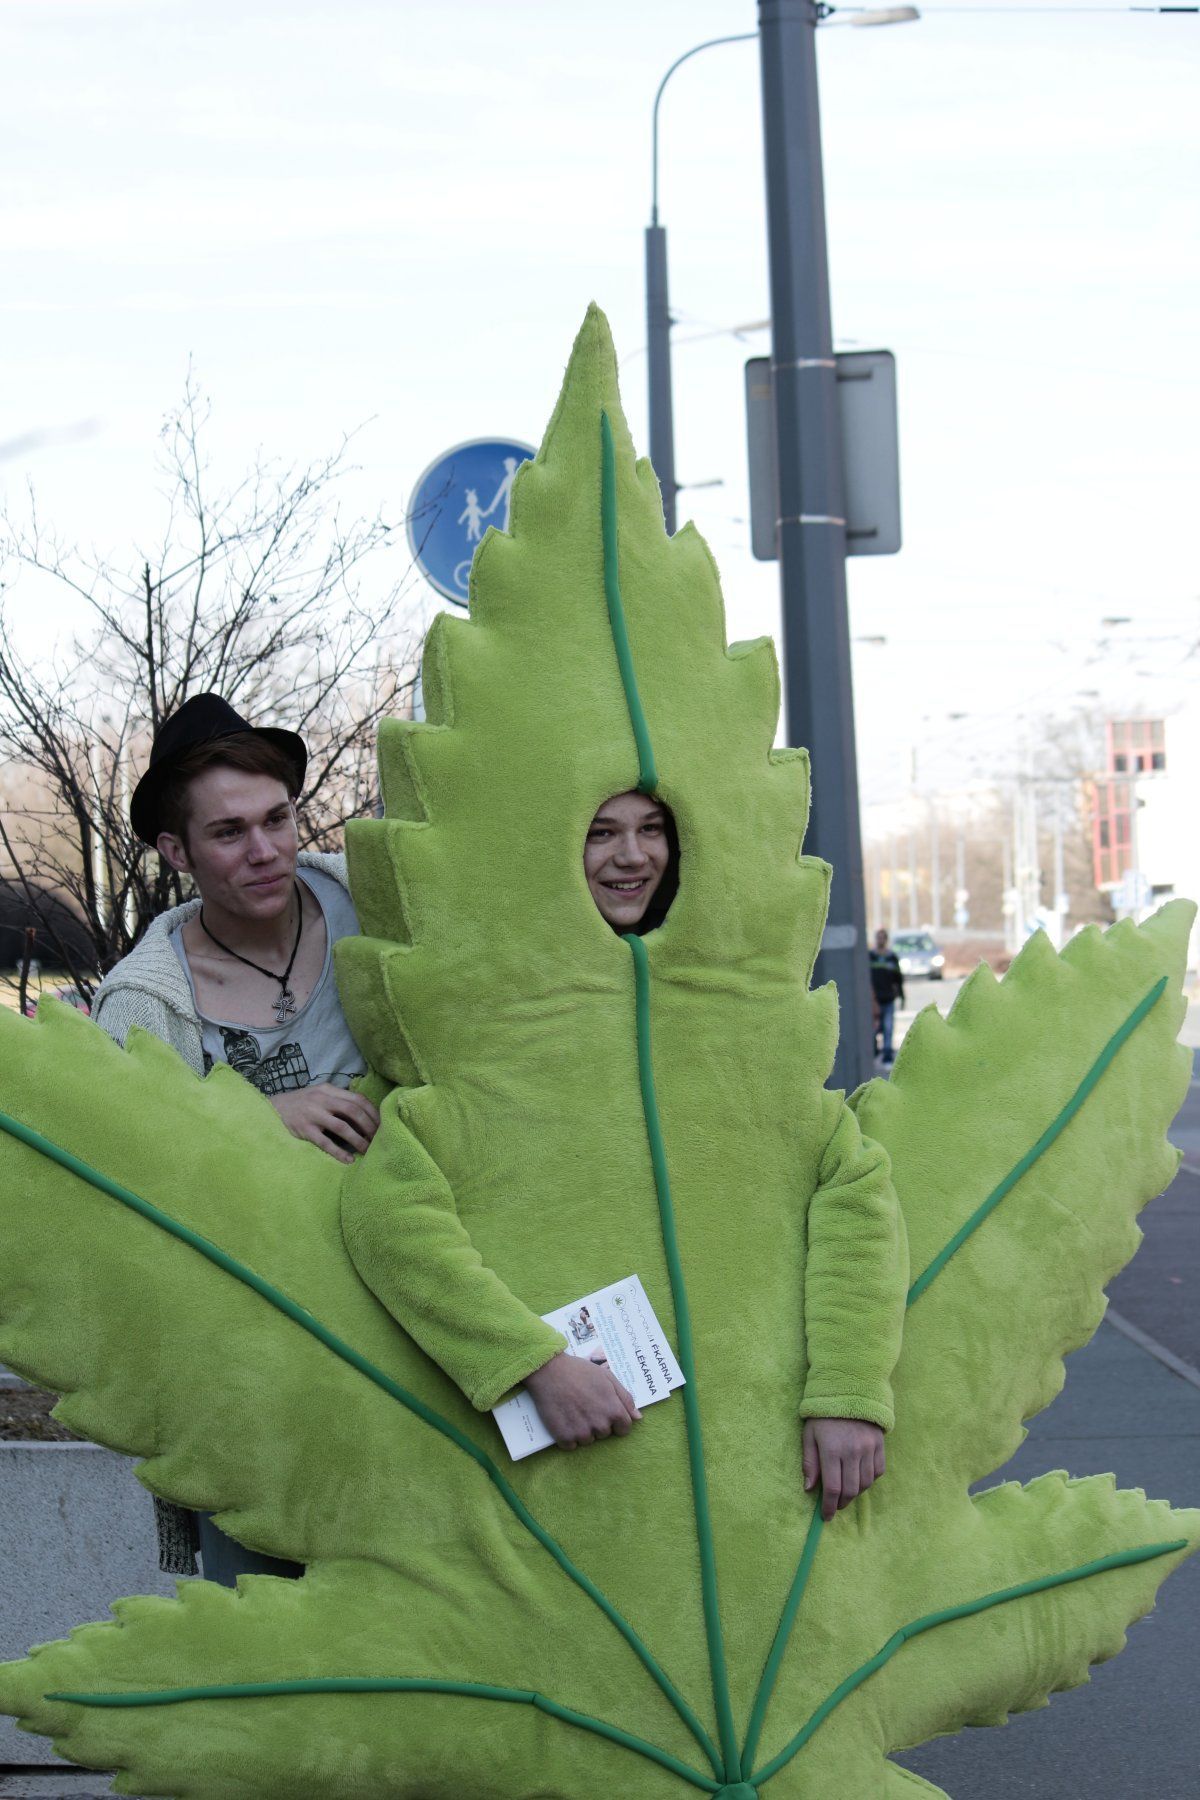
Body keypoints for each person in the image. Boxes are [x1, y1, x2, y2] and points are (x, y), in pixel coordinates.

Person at [525, 789, 892, 1521]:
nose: (632, 855)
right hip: (573, 1461)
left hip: (761, 1460)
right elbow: (395, 1212)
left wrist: (848, 1391)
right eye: (601, 832)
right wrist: (527, 1363)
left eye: (651, 830)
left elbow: (852, 1185)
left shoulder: (737, 1002)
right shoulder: (499, 1018)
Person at [92, 692, 381, 1579]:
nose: (265, 851)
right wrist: (252, 1119)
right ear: (175, 851)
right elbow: (121, 1184)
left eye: (277, 819)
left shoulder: (378, 901)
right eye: (229, 833)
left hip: (421, 1326)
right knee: (275, 1648)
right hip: (259, 1377)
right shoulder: (143, 1003)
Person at [869, 926, 905, 1065]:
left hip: (888, 999)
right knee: (874, 1028)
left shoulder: (892, 957)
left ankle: (887, 1055)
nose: (880, 940)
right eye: (878, 937)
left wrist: (901, 996)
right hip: (873, 1000)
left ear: (886, 939)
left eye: (883, 937)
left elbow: (898, 979)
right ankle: (873, 1051)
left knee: (888, 1027)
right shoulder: (870, 956)